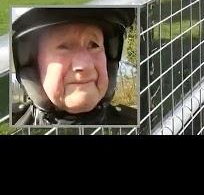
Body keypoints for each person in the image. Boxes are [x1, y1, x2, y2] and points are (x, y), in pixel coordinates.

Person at [10, 7, 138, 126]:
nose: (84, 65)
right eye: (63, 47)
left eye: (94, 45)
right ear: (33, 65)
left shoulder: (139, 123)